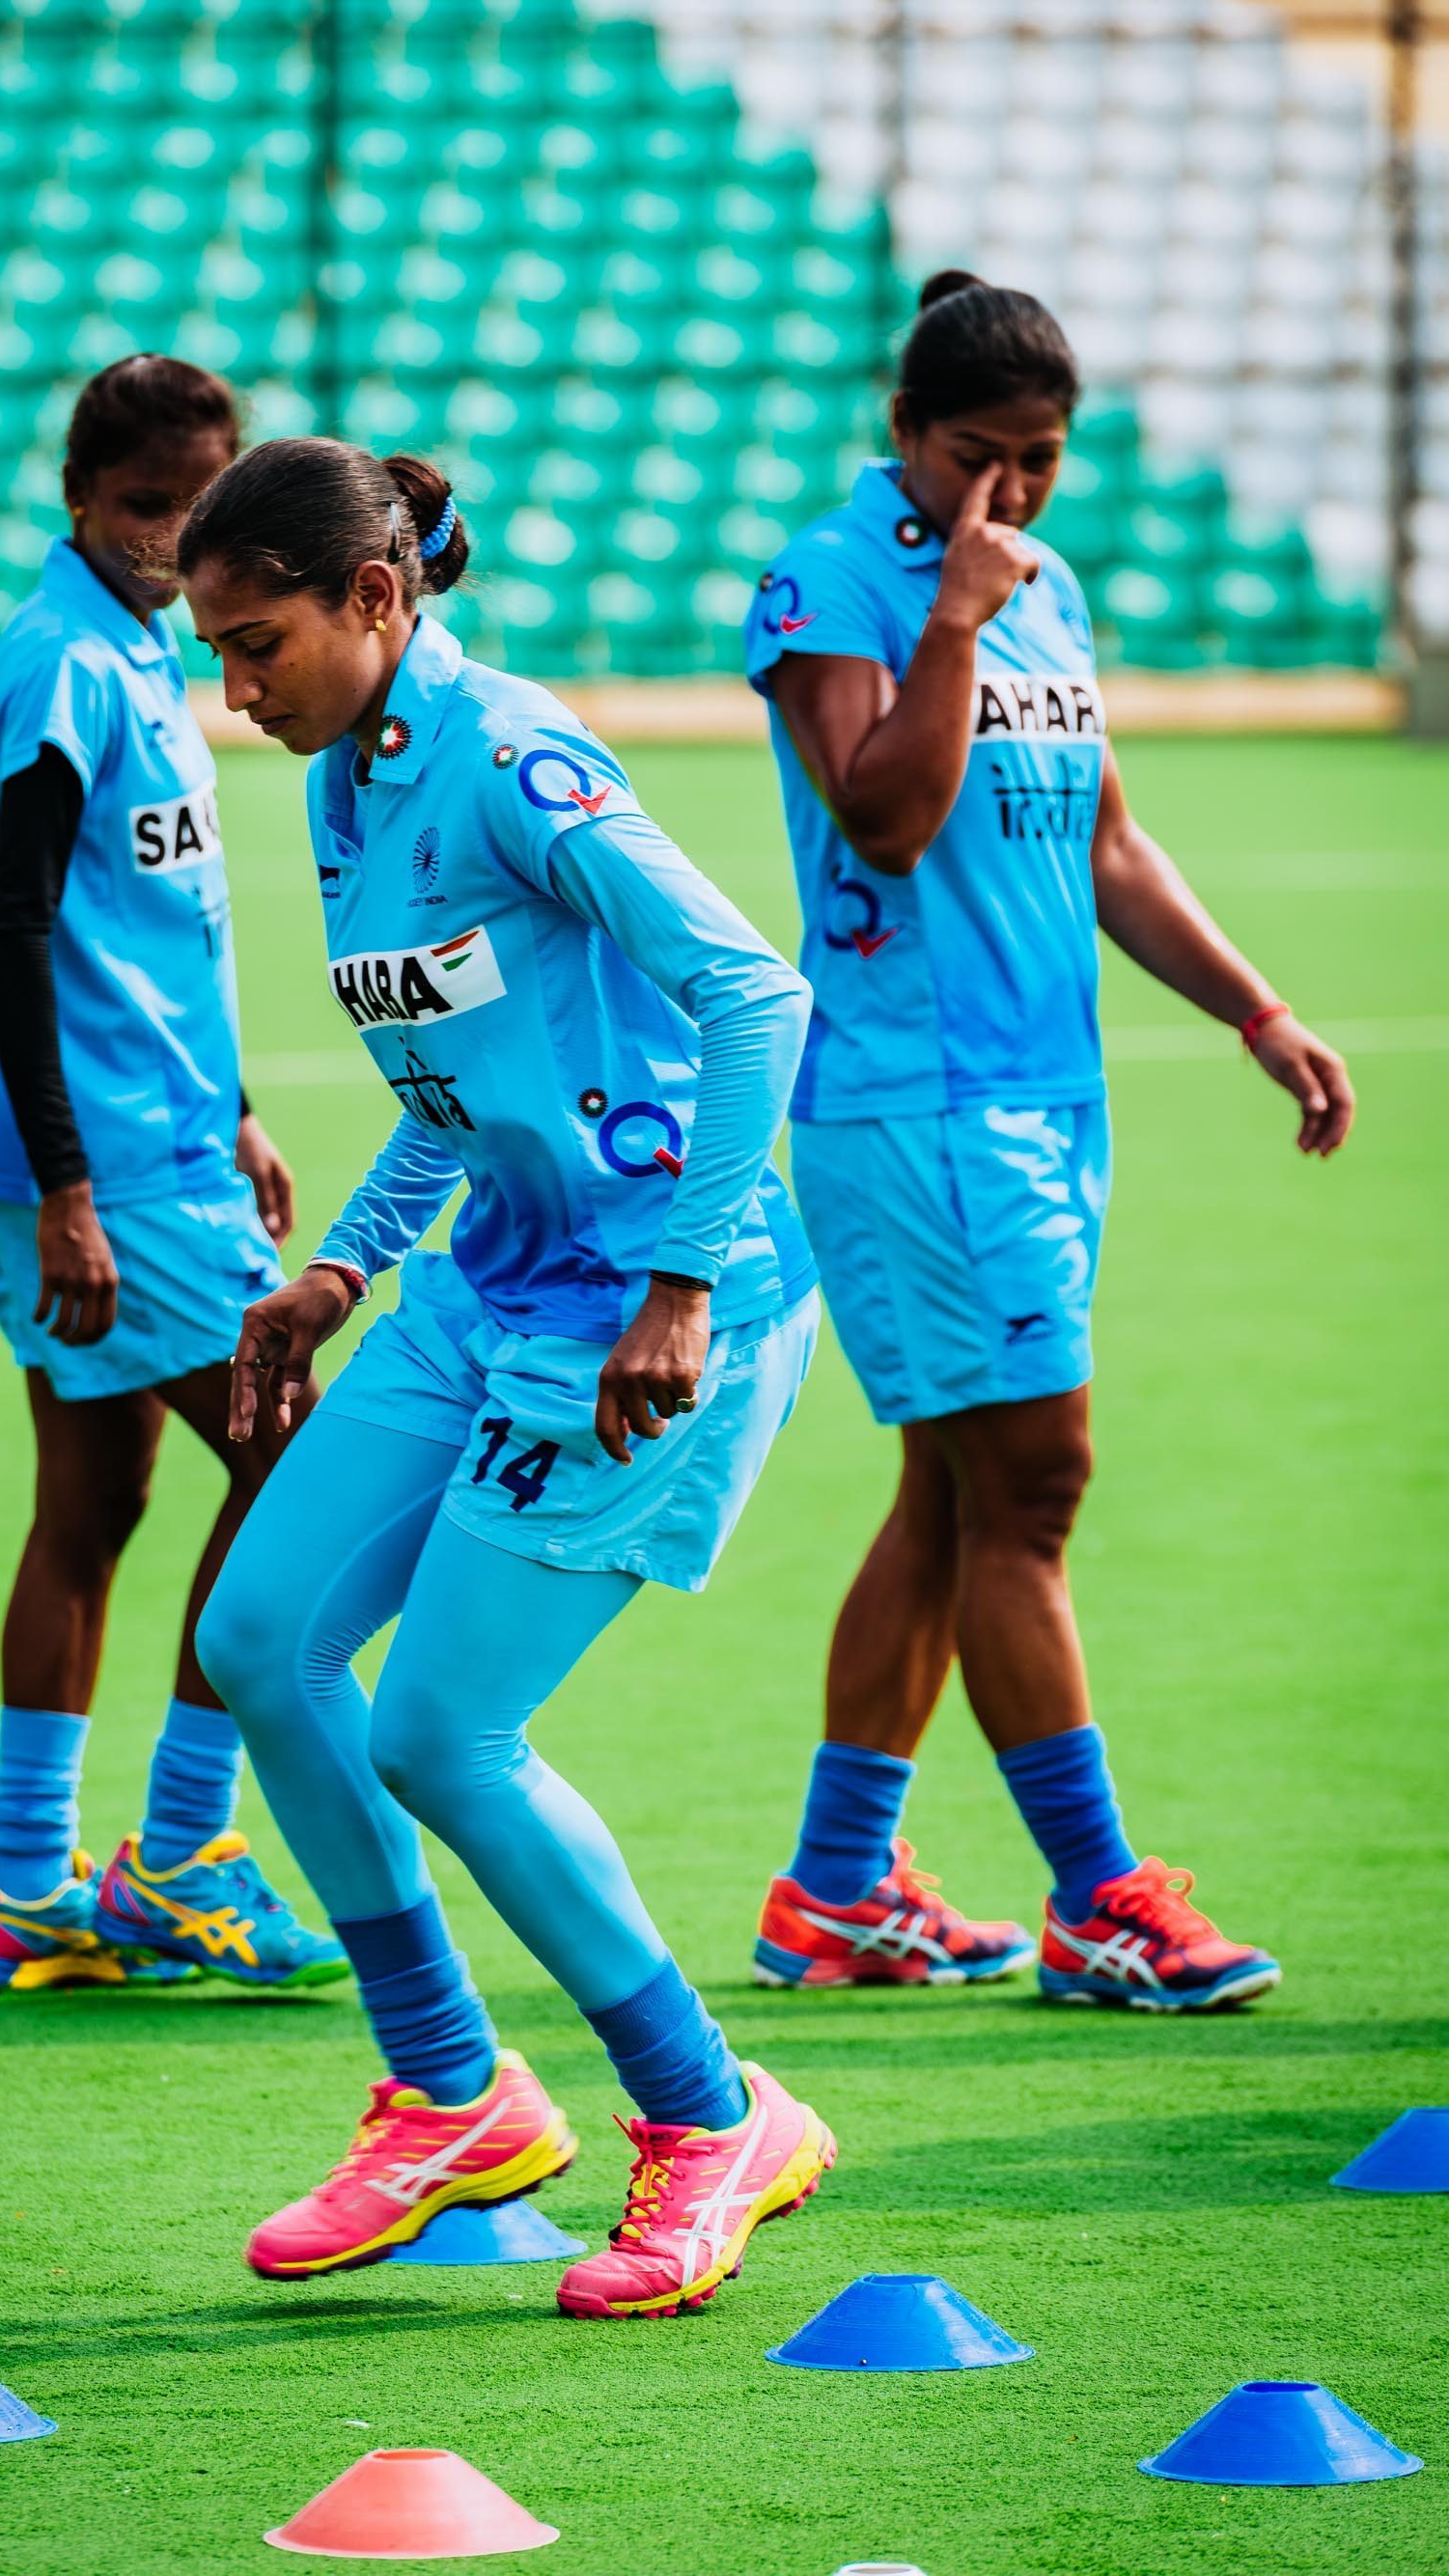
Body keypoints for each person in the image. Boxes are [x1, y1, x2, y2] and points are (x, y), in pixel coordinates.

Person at [171, 435, 833, 2319]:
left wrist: (684, 1280)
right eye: (218, 650)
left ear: (376, 601)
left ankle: (716, 2119)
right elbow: (458, 1086)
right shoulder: (346, 781)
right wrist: (339, 1272)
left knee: (438, 1733)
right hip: (490, 1282)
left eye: (260, 639)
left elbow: (758, 995)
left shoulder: (515, 758)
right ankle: (455, 2087)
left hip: (649, 1313)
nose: (238, 686)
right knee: (262, 1635)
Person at [744, 273, 1355, 2012]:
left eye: (1038, 463)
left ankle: (838, 1888)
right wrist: (952, 611)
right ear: (903, 436)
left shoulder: (1046, 587)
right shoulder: (839, 582)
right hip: (916, 1103)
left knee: (954, 1489)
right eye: (974, 458)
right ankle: (1099, 1896)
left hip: (1040, 1101)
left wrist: (1256, 1010)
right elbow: (883, 808)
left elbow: (1106, 843)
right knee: (1034, 1484)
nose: (1005, 496)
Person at [0, 353, 345, 2000]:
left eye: (196, 504)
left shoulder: (137, 647)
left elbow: (149, 934)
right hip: (105, 1166)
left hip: (164, 1141)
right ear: (76, 502)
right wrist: (67, 1187)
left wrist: (242, 1100)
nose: (169, 534)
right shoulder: (65, 660)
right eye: (141, 506)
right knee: (289, 1457)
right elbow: (20, 928)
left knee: (95, 1503)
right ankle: (180, 1856)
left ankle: (23, 1887)